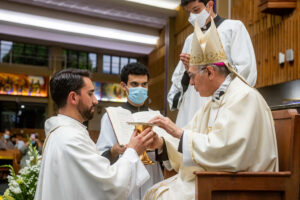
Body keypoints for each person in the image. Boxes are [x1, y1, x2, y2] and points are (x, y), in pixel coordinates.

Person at [143, 18, 278, 200]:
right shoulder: (214, 102)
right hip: (220, 180)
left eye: (191, 76)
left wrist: (178, 132)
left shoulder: (243, 98)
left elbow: (228, 152)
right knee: (153, 192)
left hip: (243, 187)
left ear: (210, 72)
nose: (190, 83)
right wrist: (162, 143)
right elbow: (195, 137)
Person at [35, 69, 155, 200]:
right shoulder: (70, 139)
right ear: (73, 97)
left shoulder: (64, 133)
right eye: (90, 94)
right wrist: (133, 150)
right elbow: (109, 186)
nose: (95, 100)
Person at [168, 0, 257, 128]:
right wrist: (189, 72)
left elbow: (245, 70)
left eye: (196, 10)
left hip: (222, 105)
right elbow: (178, 84)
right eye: (189, 13)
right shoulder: (189, 40)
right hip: (193, 106)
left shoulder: (233, 28)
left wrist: (210, 66)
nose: (192, 17)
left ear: (210, 5)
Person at [96, 63, 164, 200]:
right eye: (134, 84)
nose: (140, 88)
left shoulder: (157, 116)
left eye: (144, 84)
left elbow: (169, 155)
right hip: (126, 179)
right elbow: (100, 158)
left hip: (152, 176)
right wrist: (114, 150)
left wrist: (161, 146)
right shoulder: (111, 116)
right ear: (123, 86)